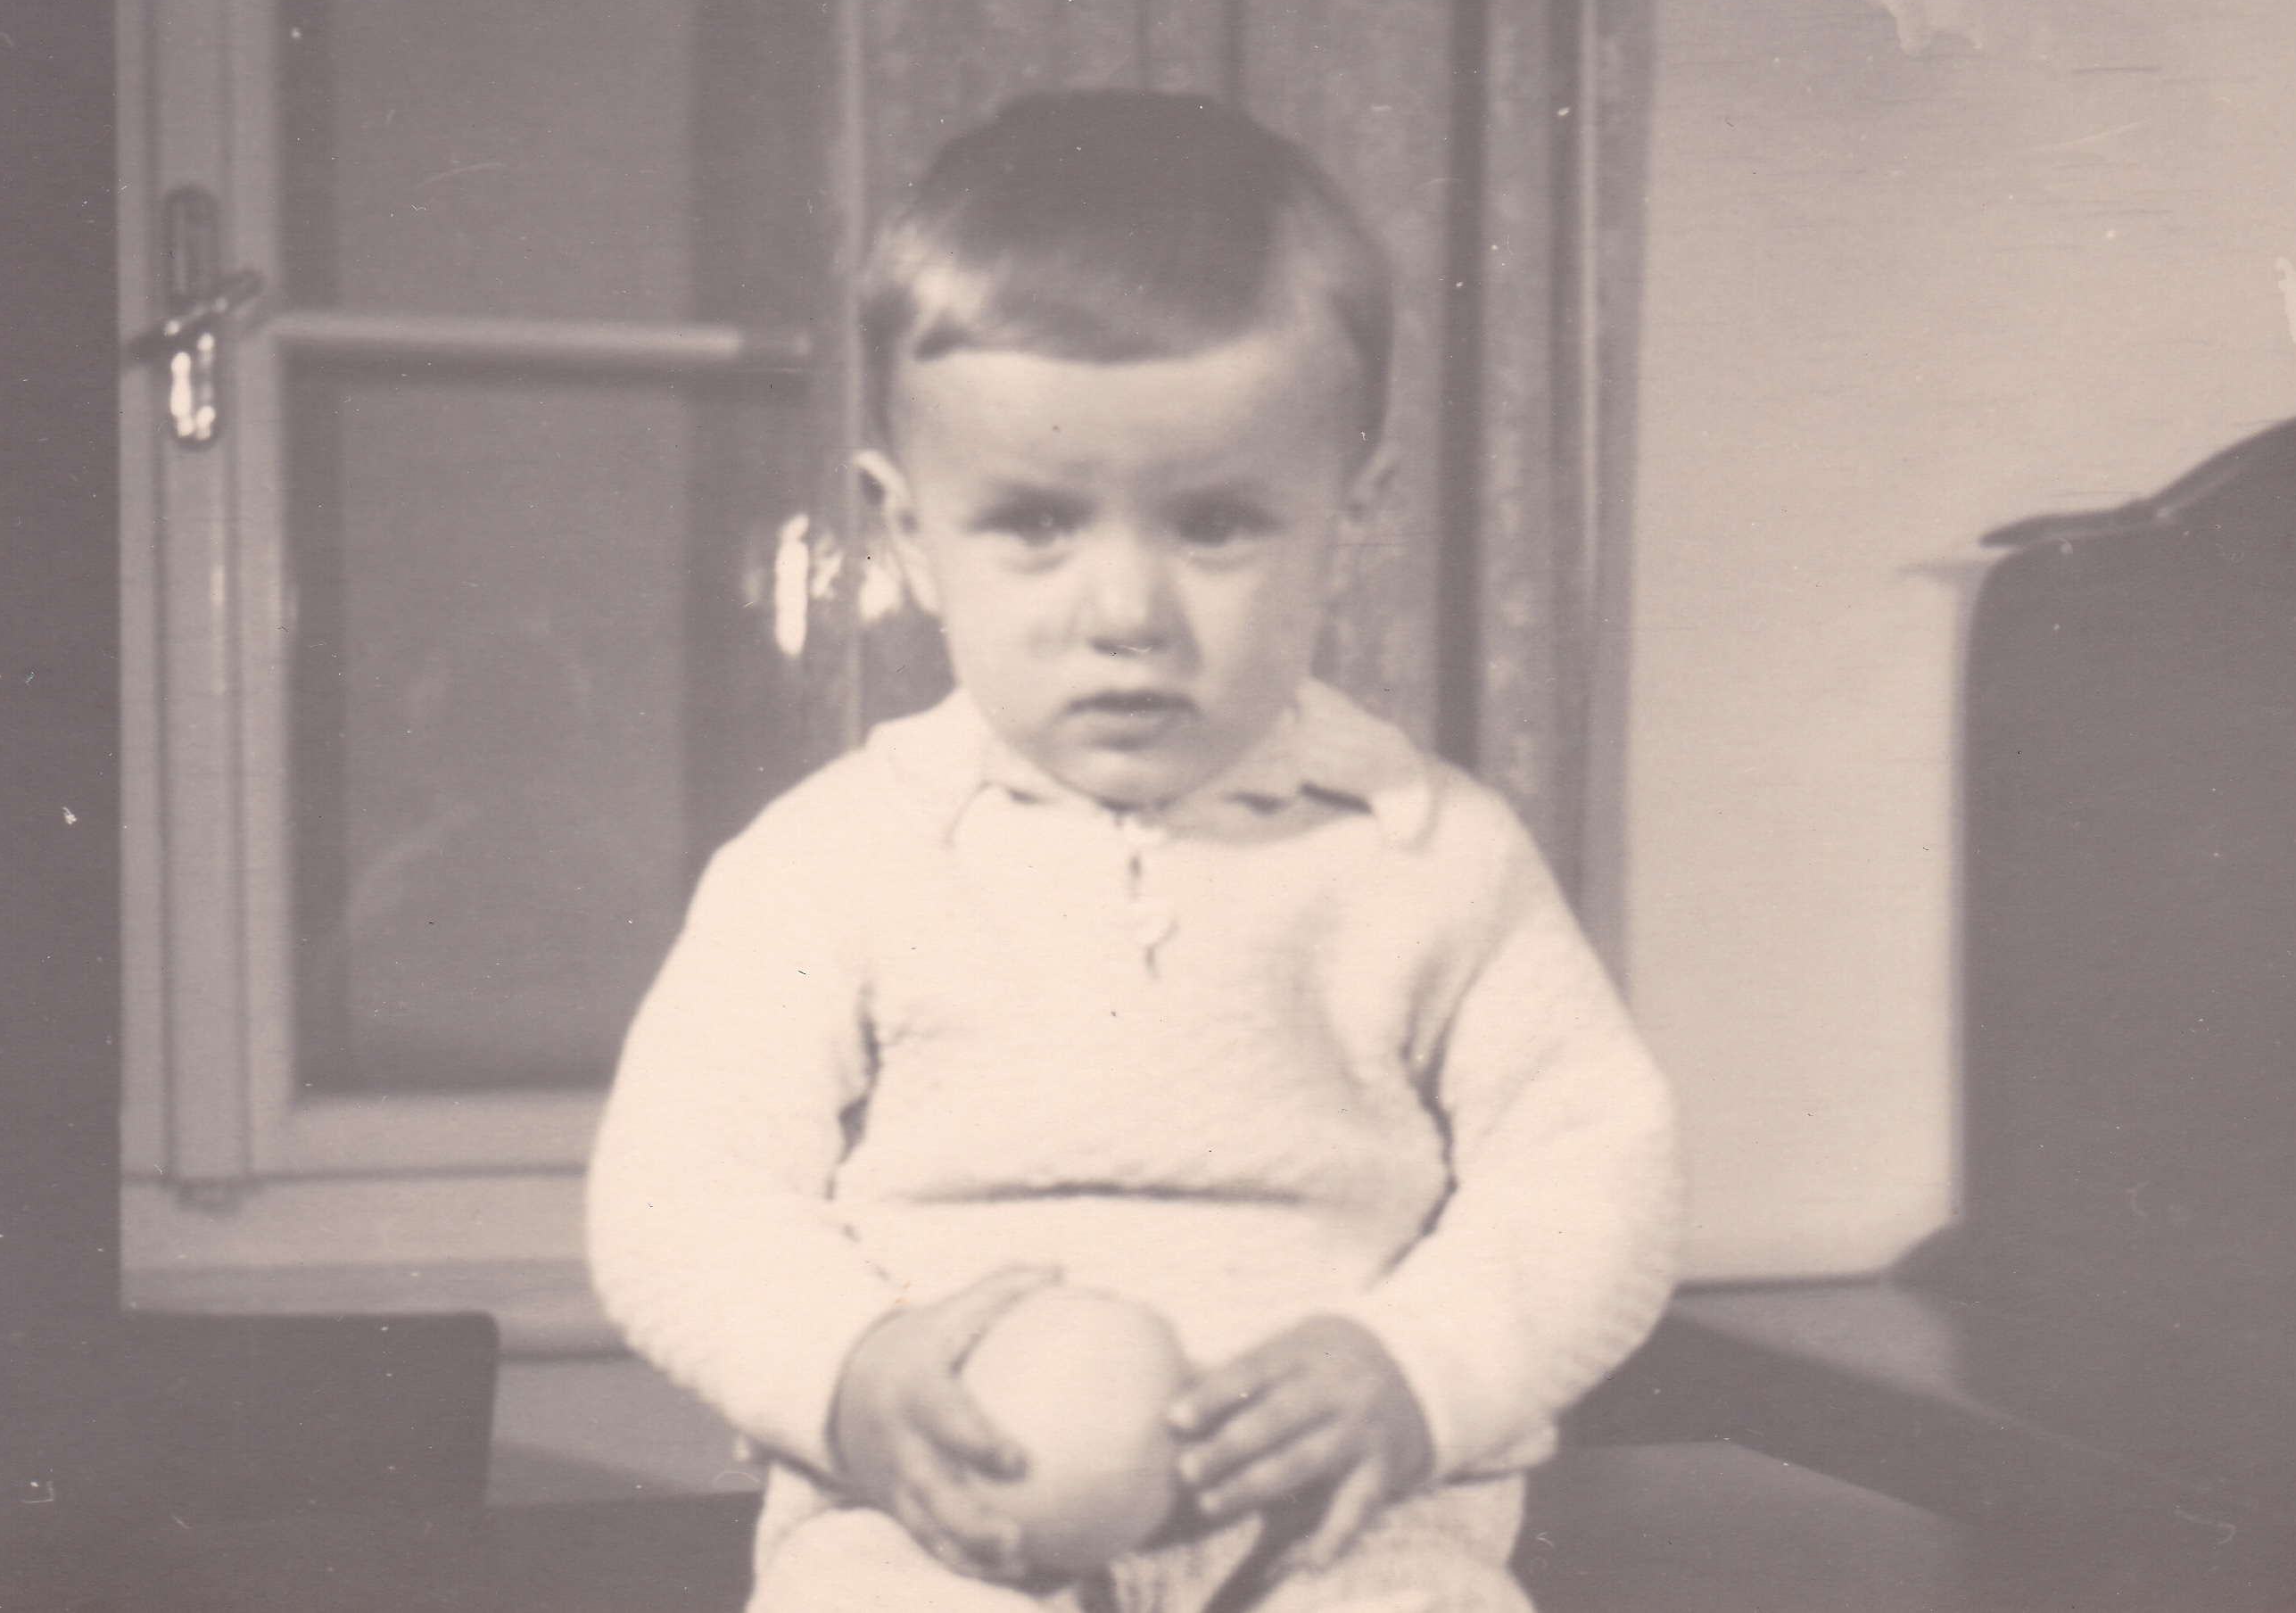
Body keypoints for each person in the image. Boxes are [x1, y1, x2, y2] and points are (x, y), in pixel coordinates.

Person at [588, 89, 1681, 1613]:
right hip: (936, 1516)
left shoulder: (1430, 855)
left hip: (1341, 1521)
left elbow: (1595, 1173)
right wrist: (848, 1372)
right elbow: (680, 1193)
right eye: (1035, 522)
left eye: (1216, 523)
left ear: (1352, 521)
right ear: (905, 533)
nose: (1127, 613)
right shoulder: (833, 861)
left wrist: (1419, 1366)